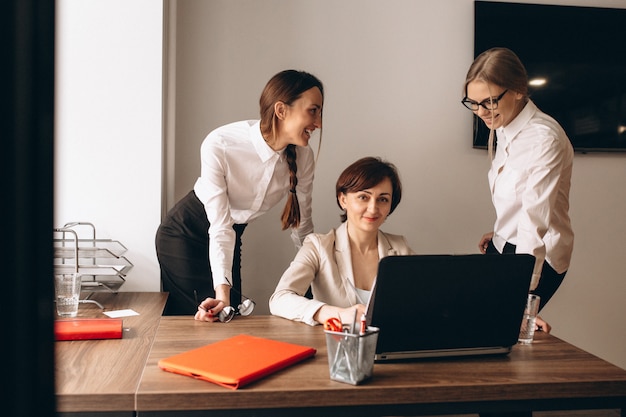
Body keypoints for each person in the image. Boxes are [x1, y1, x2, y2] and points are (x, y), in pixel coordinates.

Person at [156, 69, 324, 319]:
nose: (319, 123)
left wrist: (316, 269)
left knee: (229, 320)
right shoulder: (222, 143)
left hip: (231, 236)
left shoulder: (303, 156)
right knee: (205, 320)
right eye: (313, 110)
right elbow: (220, 224)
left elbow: (302, 224)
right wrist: (222, 294)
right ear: (281, 110)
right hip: (185, 235)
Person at [462, 48, 574, 338]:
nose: (481, 112)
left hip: (537, 254)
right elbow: (518, 196)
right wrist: (500, 233)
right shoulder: (504, 124)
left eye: (488, 102)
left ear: (519, 91)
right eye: (473, 103)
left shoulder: (542, 138)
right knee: (470, 323)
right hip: (508, 243)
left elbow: (534, 219)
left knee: (502, 333)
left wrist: (524, 292)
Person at [269, 156, 415, 326]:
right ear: (343, 199)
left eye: (383, 199)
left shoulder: (401, 248)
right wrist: (337, 314)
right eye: (363, 197)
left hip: (388, 347)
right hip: (334, 346)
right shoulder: (318, 246)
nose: (373, 208)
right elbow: (279, 299)